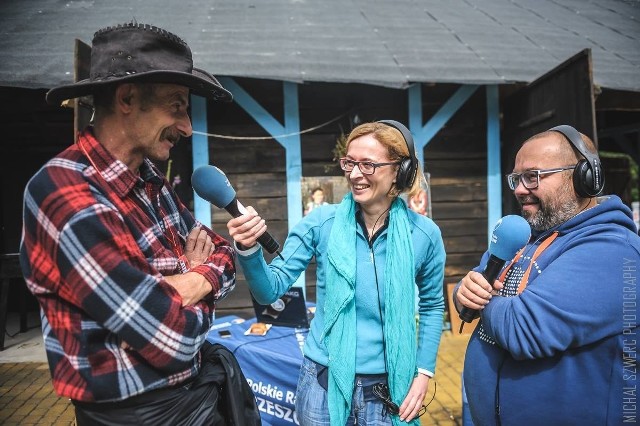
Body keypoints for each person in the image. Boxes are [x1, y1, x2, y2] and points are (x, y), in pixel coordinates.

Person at [19, 22, 260, 425]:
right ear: (127, 98)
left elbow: (222, 254)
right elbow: (173, 341)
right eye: (177, 106)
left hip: (196, 398)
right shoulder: (63, 189)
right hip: (137, 417)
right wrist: (196, 278)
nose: (186, 126)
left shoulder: (149, 178)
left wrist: (190, 280)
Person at [227, 120, 446, 425]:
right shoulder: (320, 223)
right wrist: (248, 249)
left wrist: (423, 372)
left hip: (391, 388)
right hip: (321, 384)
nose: (354, 174)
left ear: (401, 169)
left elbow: (434, 306)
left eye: (367, 165)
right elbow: (270, 290)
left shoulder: (425, 235)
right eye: (350, 163)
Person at [454, 125, 640, 425]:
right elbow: (477, 281)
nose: (518, 189)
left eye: (533, 176)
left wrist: (484, 296)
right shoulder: (523, 235)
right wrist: (464, 290)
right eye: (516, 178)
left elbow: (523, 329)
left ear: (583, 177)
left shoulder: (615, 251)